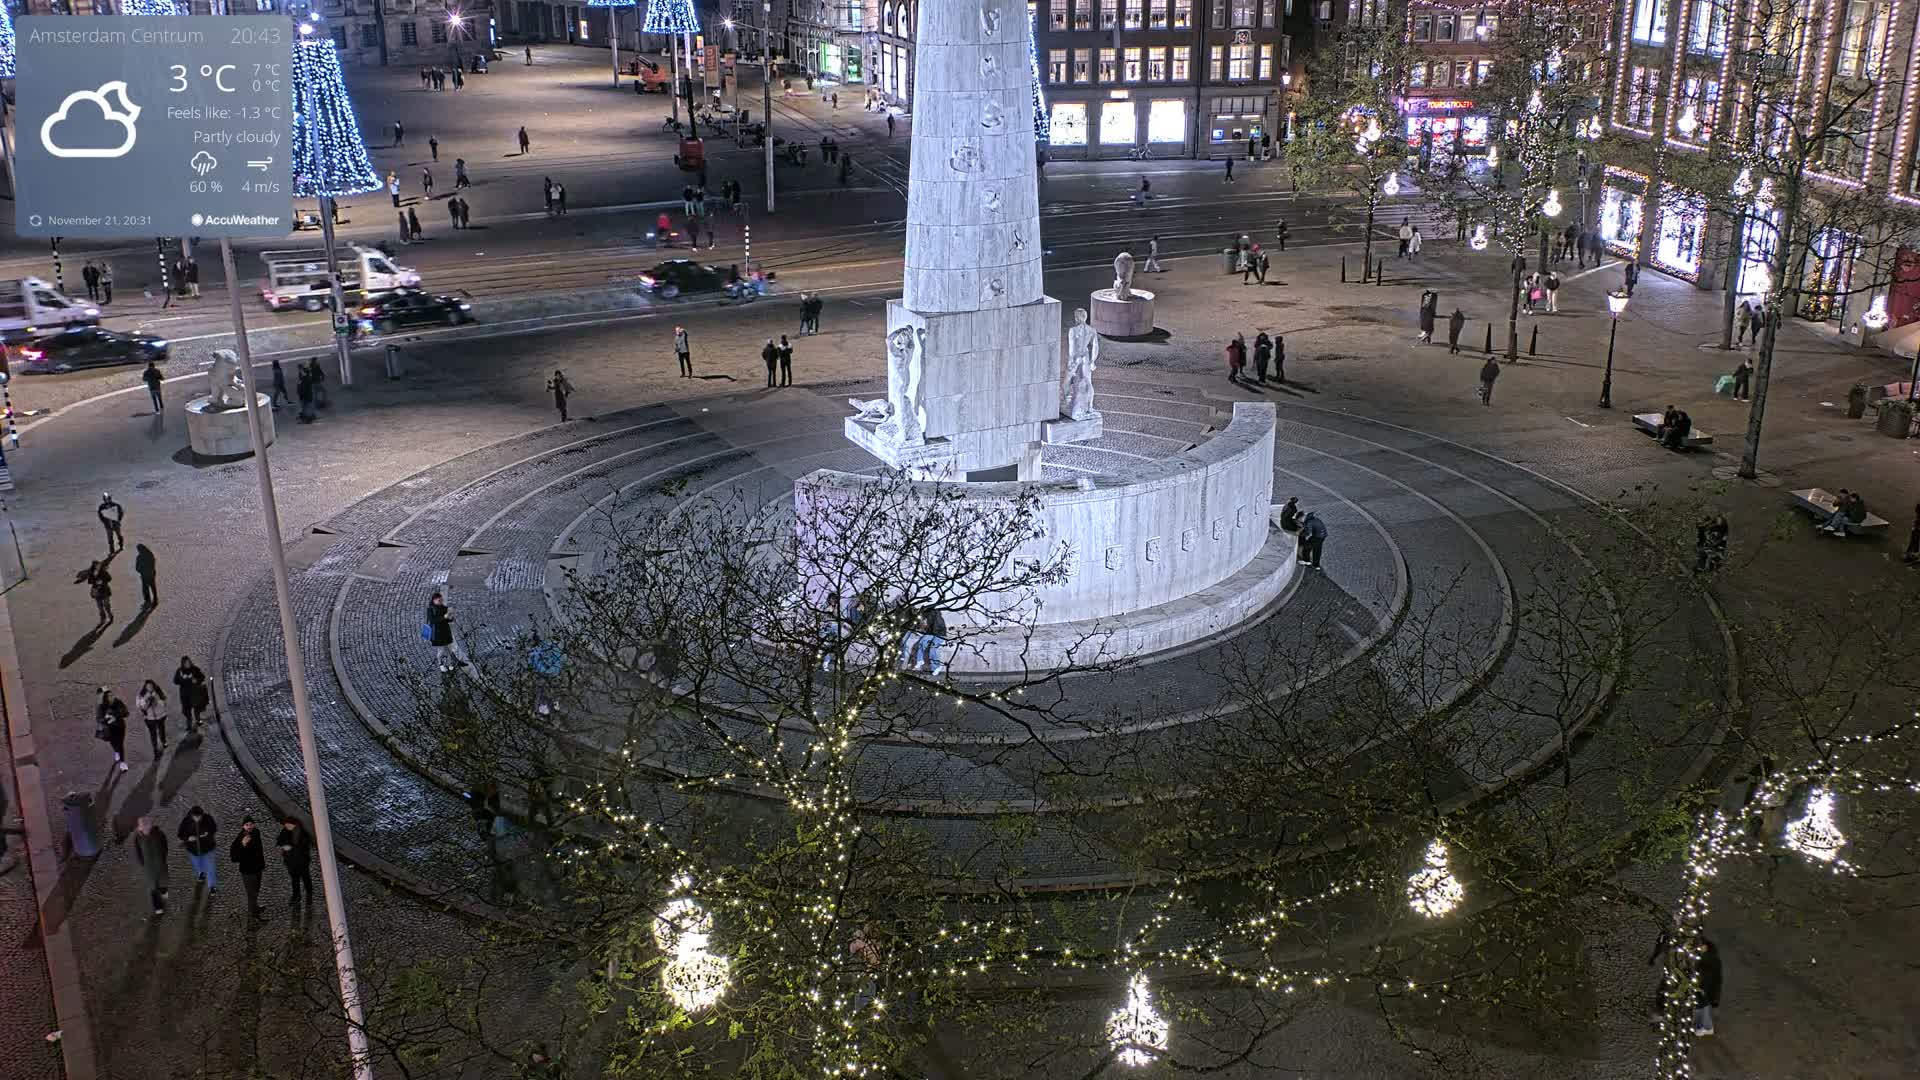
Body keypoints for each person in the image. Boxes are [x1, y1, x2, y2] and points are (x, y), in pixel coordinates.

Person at [231, 817, 268, 917]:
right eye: (247, 825)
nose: (249, 827)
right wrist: (242, 845)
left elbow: (260, 851)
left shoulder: (256, 833)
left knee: (256, 890)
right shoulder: (239, 839)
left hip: (258, 869)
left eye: (251, 824)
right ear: (243, 826)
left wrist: (262, 864)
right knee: (251, 894)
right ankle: (252, 915)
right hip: (247, 872)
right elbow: (234, 857)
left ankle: (255, 907)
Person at [133, 817, 169, 916]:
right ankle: (158, 906)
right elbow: (138, 852)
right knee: (153, 888)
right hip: (148, 867)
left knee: (162, 881)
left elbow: (165, 846)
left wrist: (162, 858)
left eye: (147, 826)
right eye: (143, 827)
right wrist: (142, 863)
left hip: (160, 864)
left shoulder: (159, 834)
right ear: (140, 827)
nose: (145, 829)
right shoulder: (138, 838)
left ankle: (164, 891)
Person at [276, 817, 314, 908]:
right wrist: (283, 846)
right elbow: (279, 840)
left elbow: (304, 847)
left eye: (288, 825)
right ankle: (296, 896)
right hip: (291, 861)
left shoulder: (302, 834)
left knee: (305, 877)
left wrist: (290, 848)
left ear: (294, 824)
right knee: (295, 879)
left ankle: (309, 892)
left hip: (302, 861)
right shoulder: (285, 831)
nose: (286, 826)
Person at [179, 805, 218, 891]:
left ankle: (212, 886)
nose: (197, 818)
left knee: (211, 867)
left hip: (208, 848)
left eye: (199, 816)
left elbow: (214, 829)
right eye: (195, 816)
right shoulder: (186, 822)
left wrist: (207, 833)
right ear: (192, 815)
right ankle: (201, 873)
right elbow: (180, 834)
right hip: (193, 850)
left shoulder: (208, 819)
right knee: (197, 864)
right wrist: (188, 838)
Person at [1693, 937, 1722, 1036]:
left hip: (1704, 986)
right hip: (1709, 987)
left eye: (1701, 946)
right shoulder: (1714, 959)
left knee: (1700, 1007)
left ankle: (1700, 1029)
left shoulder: (1705, 958)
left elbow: (1699, 970)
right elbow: (1718, 978)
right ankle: (1706, 1028)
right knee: (1704, 1008)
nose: (1700, 948)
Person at [97, 687, 130, 771]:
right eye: (109, 696)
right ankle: (116, 751)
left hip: (120, 727)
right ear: (105, 698)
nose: (111, 697)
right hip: (109, 729)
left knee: (120, 744)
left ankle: (122, 762)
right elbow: (99, 719)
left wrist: (115, 715)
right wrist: (106, 719)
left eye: (112, 695)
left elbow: (126, 713)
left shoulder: (118, 702)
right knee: (113, 743)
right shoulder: (102, 706)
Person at [174, 656, 210, 732]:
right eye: (186, 663)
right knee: (187, 710)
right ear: (183, 664)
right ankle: (189, 723)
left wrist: (196, 680)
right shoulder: (180, 671)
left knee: (196, 707)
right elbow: (175, 681)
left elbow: (202, 677)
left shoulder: (195, 669)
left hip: (195, 693)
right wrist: (182, 679)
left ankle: (198, 720)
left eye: (188, 662)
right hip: (185, 695)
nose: (187, 664)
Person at [136, 678, 168, 755]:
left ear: (154, 686)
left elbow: (164, 703)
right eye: (148, 686)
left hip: (160, 716)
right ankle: (155, 747)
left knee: (161, 730)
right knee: (153, 733)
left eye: (151, 686)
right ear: (145, 687)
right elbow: (140, 706)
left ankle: (163, 741)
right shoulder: (141, 695)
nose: (150, 688)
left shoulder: (159, 692)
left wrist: (157, 700)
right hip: (149, 718)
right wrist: (147, 700)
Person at [133, 542, 157, 608]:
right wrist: (152, 571)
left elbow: (137, 567)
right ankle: (155, 600)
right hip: (151, 574)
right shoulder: (150, 554)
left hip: (144, 575)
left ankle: (148, 601)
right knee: (153, 587)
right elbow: (153, 564)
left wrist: (141, 571)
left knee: (145, 588)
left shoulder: (139, 557)